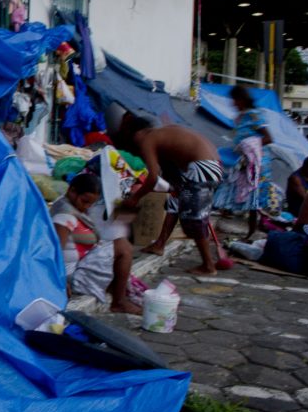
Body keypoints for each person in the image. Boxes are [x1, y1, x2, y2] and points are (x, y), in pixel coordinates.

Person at [119, 116, 224, 275]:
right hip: (207, 166)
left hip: (202, 167)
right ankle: (159, 244)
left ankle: (208, 266)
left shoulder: (148, 139)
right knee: (175, 203)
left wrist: (135, 198)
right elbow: (170, 166)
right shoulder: (165, 133)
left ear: (137, 134)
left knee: (194, 220)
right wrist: (174, 187)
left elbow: (152, 177)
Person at [51, 173, 140, 314]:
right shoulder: (64, 216)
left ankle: (119, 296)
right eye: (84, 201)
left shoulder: (68, 204)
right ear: (72, 191)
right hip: (73, 277)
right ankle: (119, 302)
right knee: (123, 248)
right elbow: (55, 251)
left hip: (81, 265)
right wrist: (60, 281)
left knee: (120, 249)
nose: (86, 207)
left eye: (90, 204)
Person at [213, 85, 274, 241]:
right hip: (242, 161)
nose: (232, 104)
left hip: (256, 162)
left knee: (254, 198)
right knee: (238, 190)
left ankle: (251, 233)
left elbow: (268, 138)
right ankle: (244, 227)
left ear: (240, 99)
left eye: (234, 100)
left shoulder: (254, 115)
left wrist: (249, 146)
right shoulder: (240, 117)